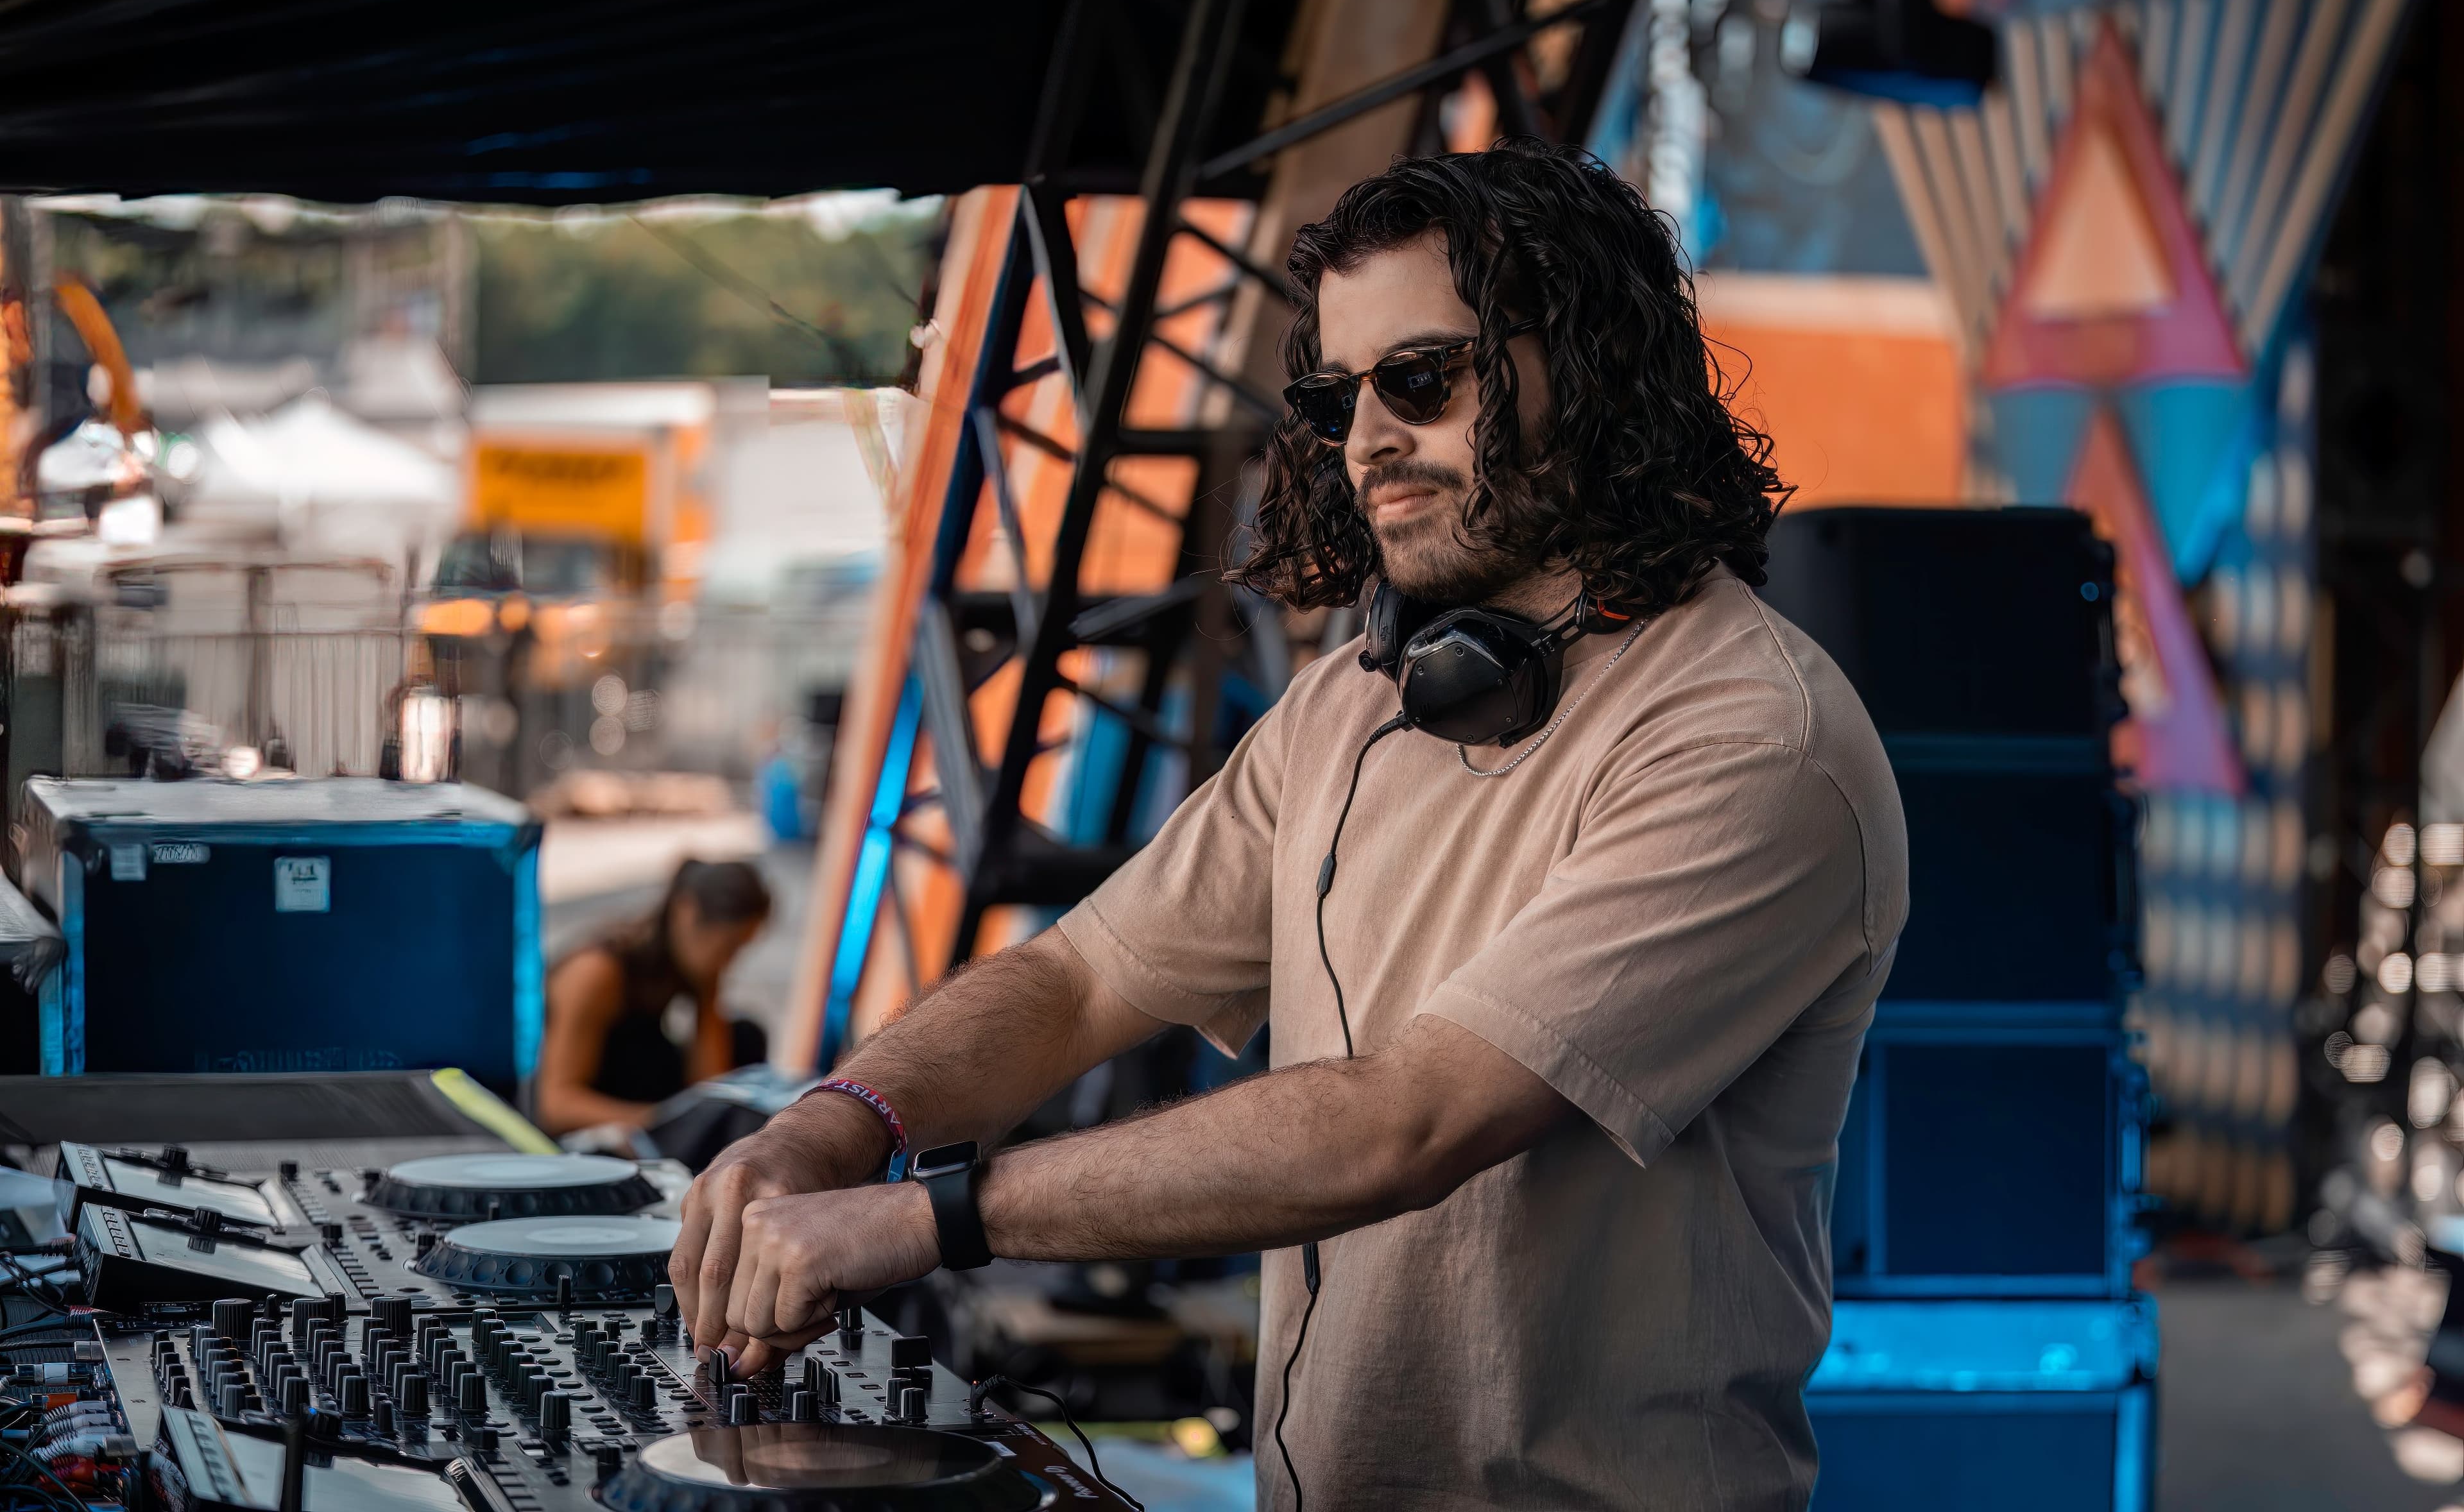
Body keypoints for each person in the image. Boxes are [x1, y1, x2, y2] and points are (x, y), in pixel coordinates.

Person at [672, 141, 1910, 1509]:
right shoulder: (1352, 705)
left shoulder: (1752, 736)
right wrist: (841, 1120)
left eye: (1423, 378)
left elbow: (1409, 1120)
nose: (1369, 436)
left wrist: (926, 1212)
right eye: (1337, 395)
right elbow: (1081, 976)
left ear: (1594, 363)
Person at [533, 858, 773, 1135]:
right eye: (727, 947)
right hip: (571, 1119)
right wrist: (661, 1123)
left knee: (745, 1036)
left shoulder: (692, 969)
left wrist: (708, 995)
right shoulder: (598, 972)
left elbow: (709, 1090)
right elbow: (554, 1105)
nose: (727, 963)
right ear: (686, 910)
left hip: (633, 1103)